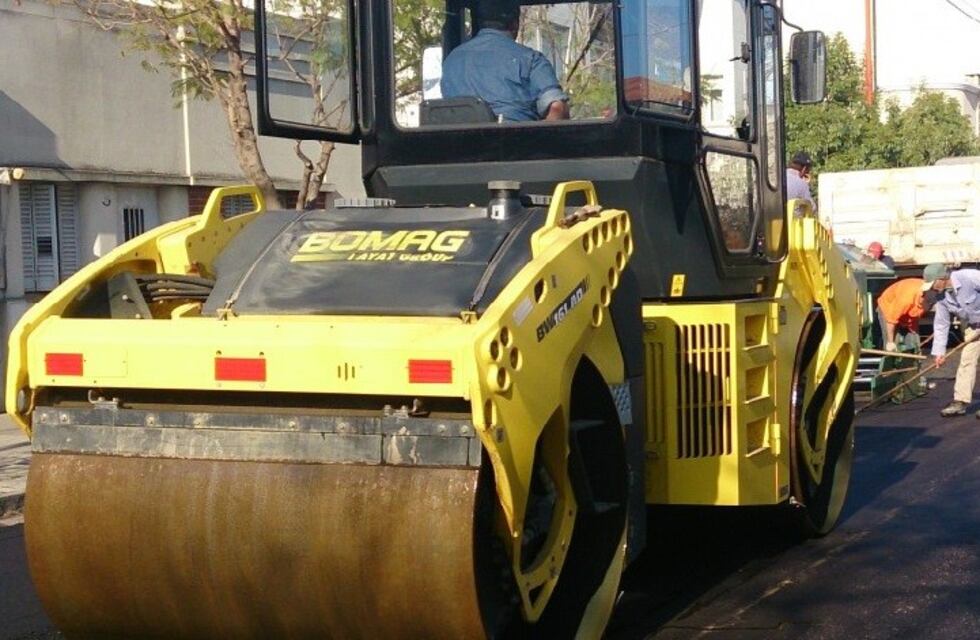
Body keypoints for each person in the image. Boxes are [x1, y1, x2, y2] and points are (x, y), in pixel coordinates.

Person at [440, 0, 570, 122]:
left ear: (479, 23)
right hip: (517, 142)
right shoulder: (530, 59)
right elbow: (557, 109)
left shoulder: (451, 61)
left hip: (459, 144)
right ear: (514, 24)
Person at [924, 263, 980, 417]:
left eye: (933, 283)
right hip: (974, 327)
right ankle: (960, 402)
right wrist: (939, 353)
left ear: (942, 278)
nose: (932, 288)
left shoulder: (969, 277)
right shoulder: (941, 297)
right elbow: (941, 324)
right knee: (967, 361)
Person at [876, 277, 930, 352]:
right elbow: (891, 320)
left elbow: (914, 318)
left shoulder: (929, 295)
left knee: (914, 341)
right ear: (922, 298)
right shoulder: (905, 300)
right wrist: (890, 342)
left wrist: (913, 333)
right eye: (928, 302)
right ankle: (892, 358)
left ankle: (914, 359)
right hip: (888, 307)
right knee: (893, 344)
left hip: (908, 310)